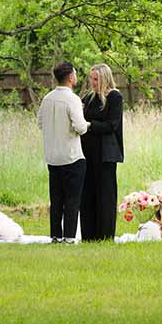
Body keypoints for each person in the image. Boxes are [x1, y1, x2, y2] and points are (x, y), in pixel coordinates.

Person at [37, 61, 89, 243]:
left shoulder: (47, 98)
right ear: (70, 77)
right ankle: (68, 236)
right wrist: (88, 124)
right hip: (72, 157)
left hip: (52, 157)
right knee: (72, 201)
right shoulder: (72, 99)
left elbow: (40, 123)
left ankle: (55, 236)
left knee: (56, 200)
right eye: (74, 74)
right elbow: (81, 128)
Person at [80, 63, 124, 241]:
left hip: (105, 153)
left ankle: (105, 235)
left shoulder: (114, 96)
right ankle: (88, 235)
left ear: (105, 78)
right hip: (87, 151)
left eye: (96, 79)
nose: (93, 82)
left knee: (105, 194)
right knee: (87, 193)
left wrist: (90, 126)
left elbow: (112, 125)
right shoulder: (88, 98)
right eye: (91, 78)